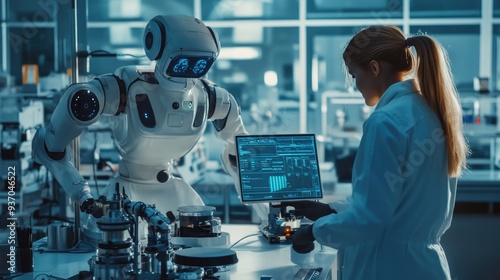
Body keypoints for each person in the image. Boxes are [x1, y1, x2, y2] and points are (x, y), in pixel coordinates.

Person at [290, 25, 469, 280]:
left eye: (354, 75)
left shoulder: (385, 121)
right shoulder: (430, 111)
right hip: (426, 266)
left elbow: (368, 218)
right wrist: (331, 210)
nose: (355, 85)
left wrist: (312, 232)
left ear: (374, 68)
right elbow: (392, 196)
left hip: (389, 267)